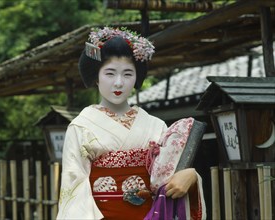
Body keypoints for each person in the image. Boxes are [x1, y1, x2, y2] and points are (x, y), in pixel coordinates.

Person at [56, 27, 206, 220]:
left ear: (137, 77)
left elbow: (168, 182)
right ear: (96, 77)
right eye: (110, 73)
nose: (119, 83)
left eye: (127, 74)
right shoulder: (81, 126)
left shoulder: (156, 125)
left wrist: (192, 177)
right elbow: (74, 187)